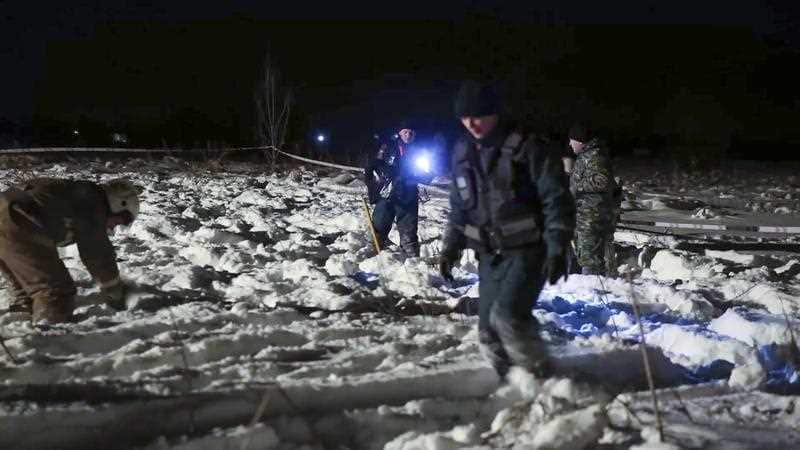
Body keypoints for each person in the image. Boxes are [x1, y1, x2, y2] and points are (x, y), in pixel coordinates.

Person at [438, 81, 575, 380]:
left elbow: (556, 198)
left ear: (495, 113)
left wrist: (557, 245)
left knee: (509, 317)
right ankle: (512, 380)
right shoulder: (463, 153)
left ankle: (542, 379)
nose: (471, 123)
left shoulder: (528, 147)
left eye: (479, 115)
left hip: (529, 250)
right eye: (465, 117)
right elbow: (460, 207)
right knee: (487, 330)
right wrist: (451, 246)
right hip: (490, 256)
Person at [0, 178, 139, 323]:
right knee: (56, 293)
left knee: (27, 292)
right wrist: (114, 289)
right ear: (119, 203)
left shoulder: (77, 192)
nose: (114, 227)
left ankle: (21, 321)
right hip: (18, 221)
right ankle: (49, 338)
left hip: (6, 213)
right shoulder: (94, 203)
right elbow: (97, 252)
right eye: (121, 219)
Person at [364, 125, 433, 257]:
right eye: (405, 131)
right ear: (399, 133)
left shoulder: (419, 151)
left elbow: (428, 173)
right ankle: (372, 253)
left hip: (408, 194)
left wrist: (423, 176)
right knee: (379, 224)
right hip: (387, 193)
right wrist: (372, 186)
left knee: (409, 228)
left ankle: (411, 258)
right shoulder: (387, 147)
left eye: (411, 132)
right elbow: (371, 167)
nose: (408, 135)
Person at [568, 122, 620, 275]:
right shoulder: (585, 156)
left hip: (592, 215)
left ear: (579, 141)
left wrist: (576, 187)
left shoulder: (595, 156)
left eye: (572, 140)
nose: (569, 144)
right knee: (584, 254)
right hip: (584, 214)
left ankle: (595, 289)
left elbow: (602, 180)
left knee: (590, 257)